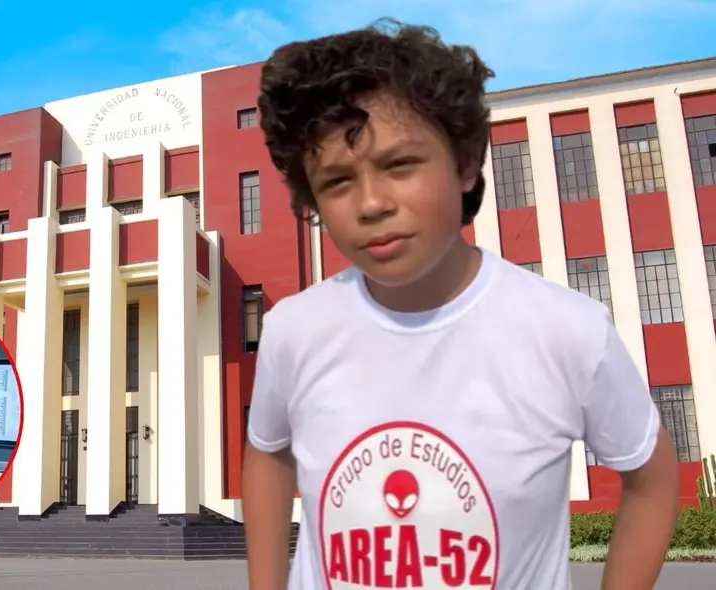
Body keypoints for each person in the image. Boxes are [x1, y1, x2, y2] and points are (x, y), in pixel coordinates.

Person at [243, 18, 680, 590]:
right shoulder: (293, 330)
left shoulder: (567, 331)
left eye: (400, 165)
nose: (371, 203)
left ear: (466, 161)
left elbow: (652, 475)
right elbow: (268, 455)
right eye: (337, 181)